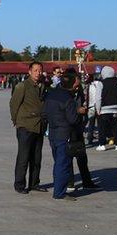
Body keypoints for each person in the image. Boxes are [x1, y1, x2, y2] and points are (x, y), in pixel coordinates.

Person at [9, 62, 46, 194]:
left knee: (36, 158)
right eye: (35, 70)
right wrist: (16, 120)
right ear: (29, 72)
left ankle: (34, 183)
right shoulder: (22, 86)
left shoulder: (42, 85)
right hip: (25, 126)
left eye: (40, 70)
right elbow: (14, 104)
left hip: (39, 126)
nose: (38, 73)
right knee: (24, 157)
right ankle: (19, 184)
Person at [43, 71, 81, 201]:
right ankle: (59, 192)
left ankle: (58, 188)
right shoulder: (68, 99)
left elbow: (45, 113)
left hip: (53, 132)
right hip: (64, 133)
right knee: (63, 163)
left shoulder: (51, 95)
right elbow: (73, 119)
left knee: (58, 162)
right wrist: (79, 112)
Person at [65, 71, 98, 192]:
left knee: (82, 157)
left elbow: (83, 103)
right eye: (76, 84)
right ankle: (70, 182)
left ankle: (87, 181)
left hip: (78, 127)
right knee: (68, 156)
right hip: (67, 129)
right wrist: (77, 110)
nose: (78, 87)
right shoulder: (63, 93)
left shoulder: (79, 92)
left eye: (79, 84)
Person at [90, 66, 117, 151]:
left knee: (102, 128)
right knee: (115, 127)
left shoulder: (101, 83)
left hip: (104, 109)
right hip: (115, 108)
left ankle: (102, 144)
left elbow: (98, 98)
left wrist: (98, 109)